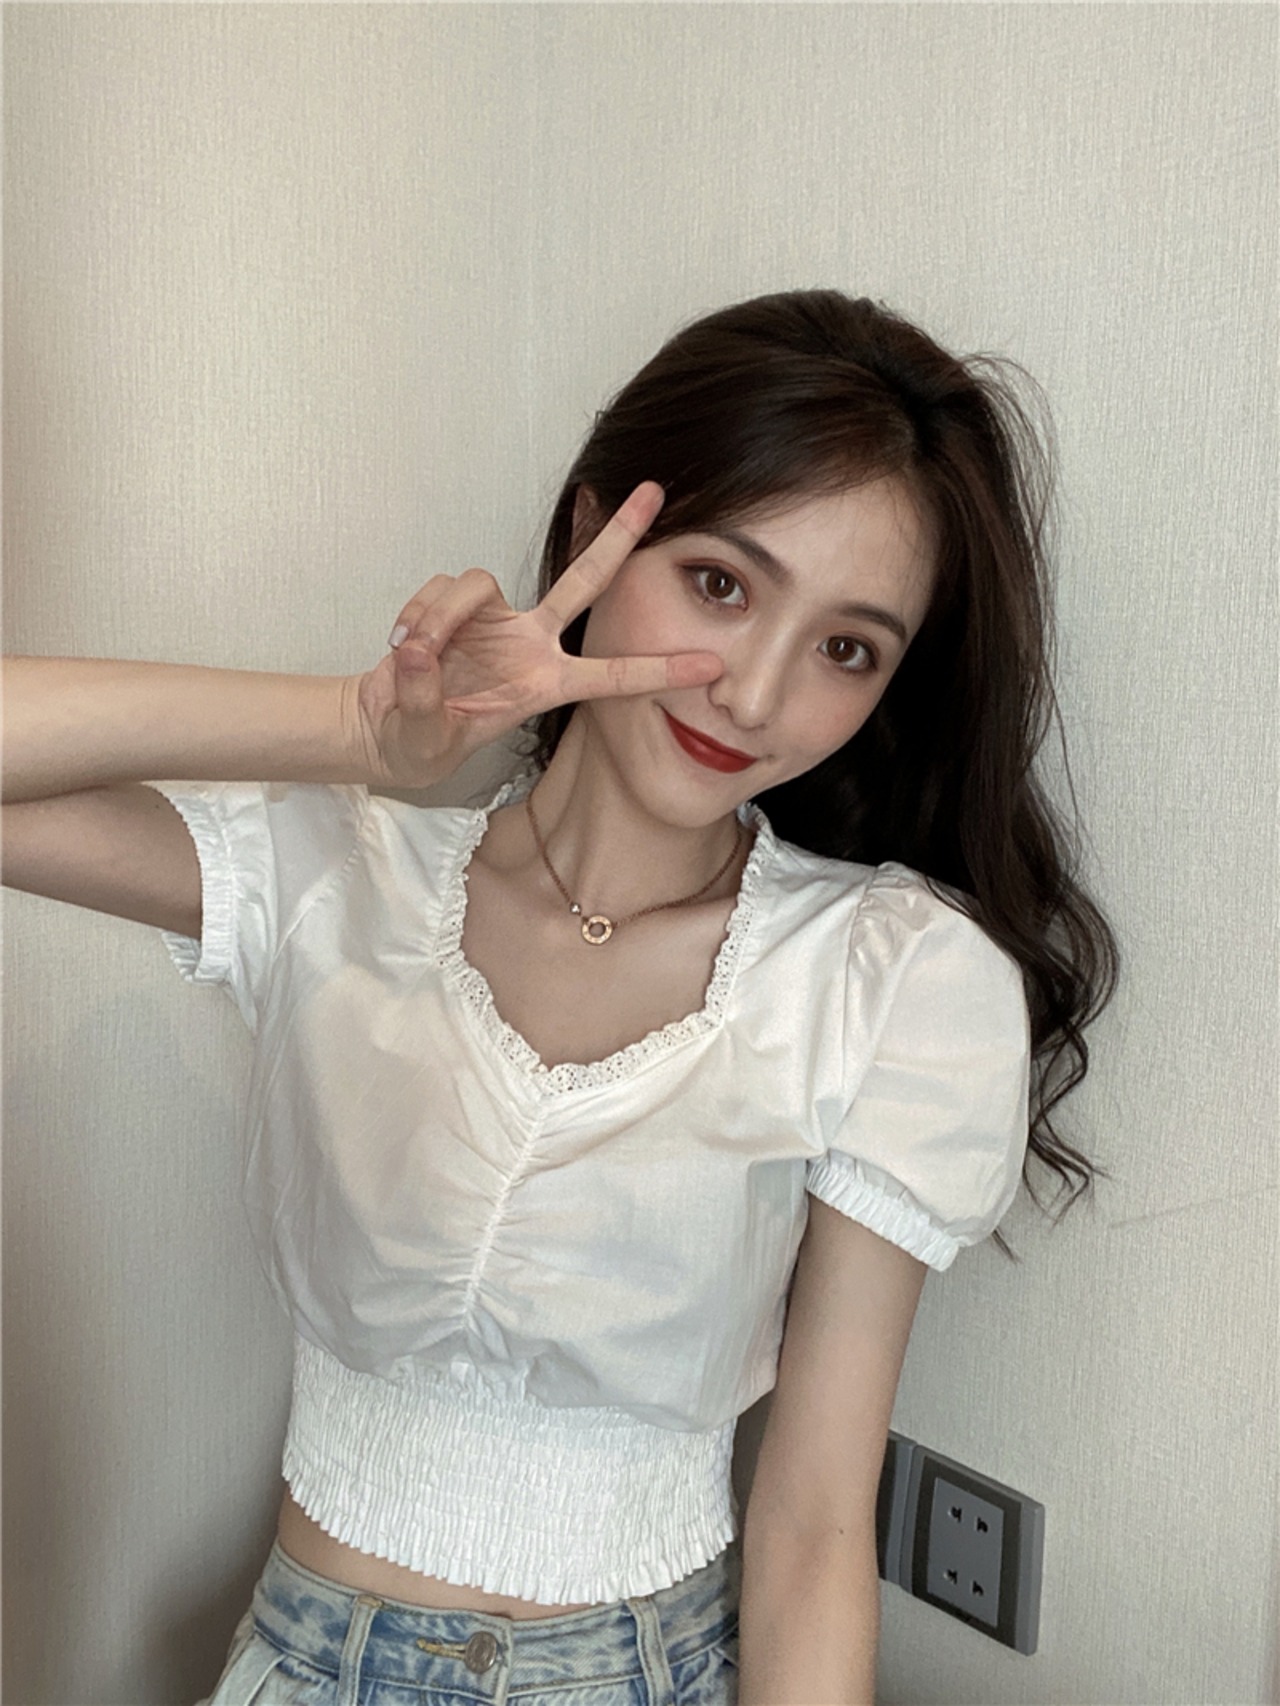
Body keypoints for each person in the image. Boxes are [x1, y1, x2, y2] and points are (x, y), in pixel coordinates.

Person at [2, 289, 1115, 1706]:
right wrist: (354, 731)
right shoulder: (337, 872)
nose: (754, 693)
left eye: (848, 648)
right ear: (598, 535)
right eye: (721, 583)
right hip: (304, 1665)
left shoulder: (887, 977)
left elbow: (814, 1526)